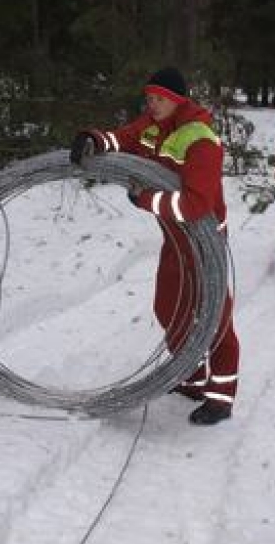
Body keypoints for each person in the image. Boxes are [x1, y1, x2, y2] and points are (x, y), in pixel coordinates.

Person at [69, 67, 240, 426]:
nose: (152, 104)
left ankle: (221, 397)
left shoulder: (201, 140)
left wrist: (146, 199)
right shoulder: (151, 125)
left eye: (159, 98)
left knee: (216, 319)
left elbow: (196, 205)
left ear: (177, 100)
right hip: (175, 240)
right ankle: (191, 377)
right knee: (168, 308)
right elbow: (122, 140)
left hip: (204, 241)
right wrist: (94, 139)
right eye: (149, 97)